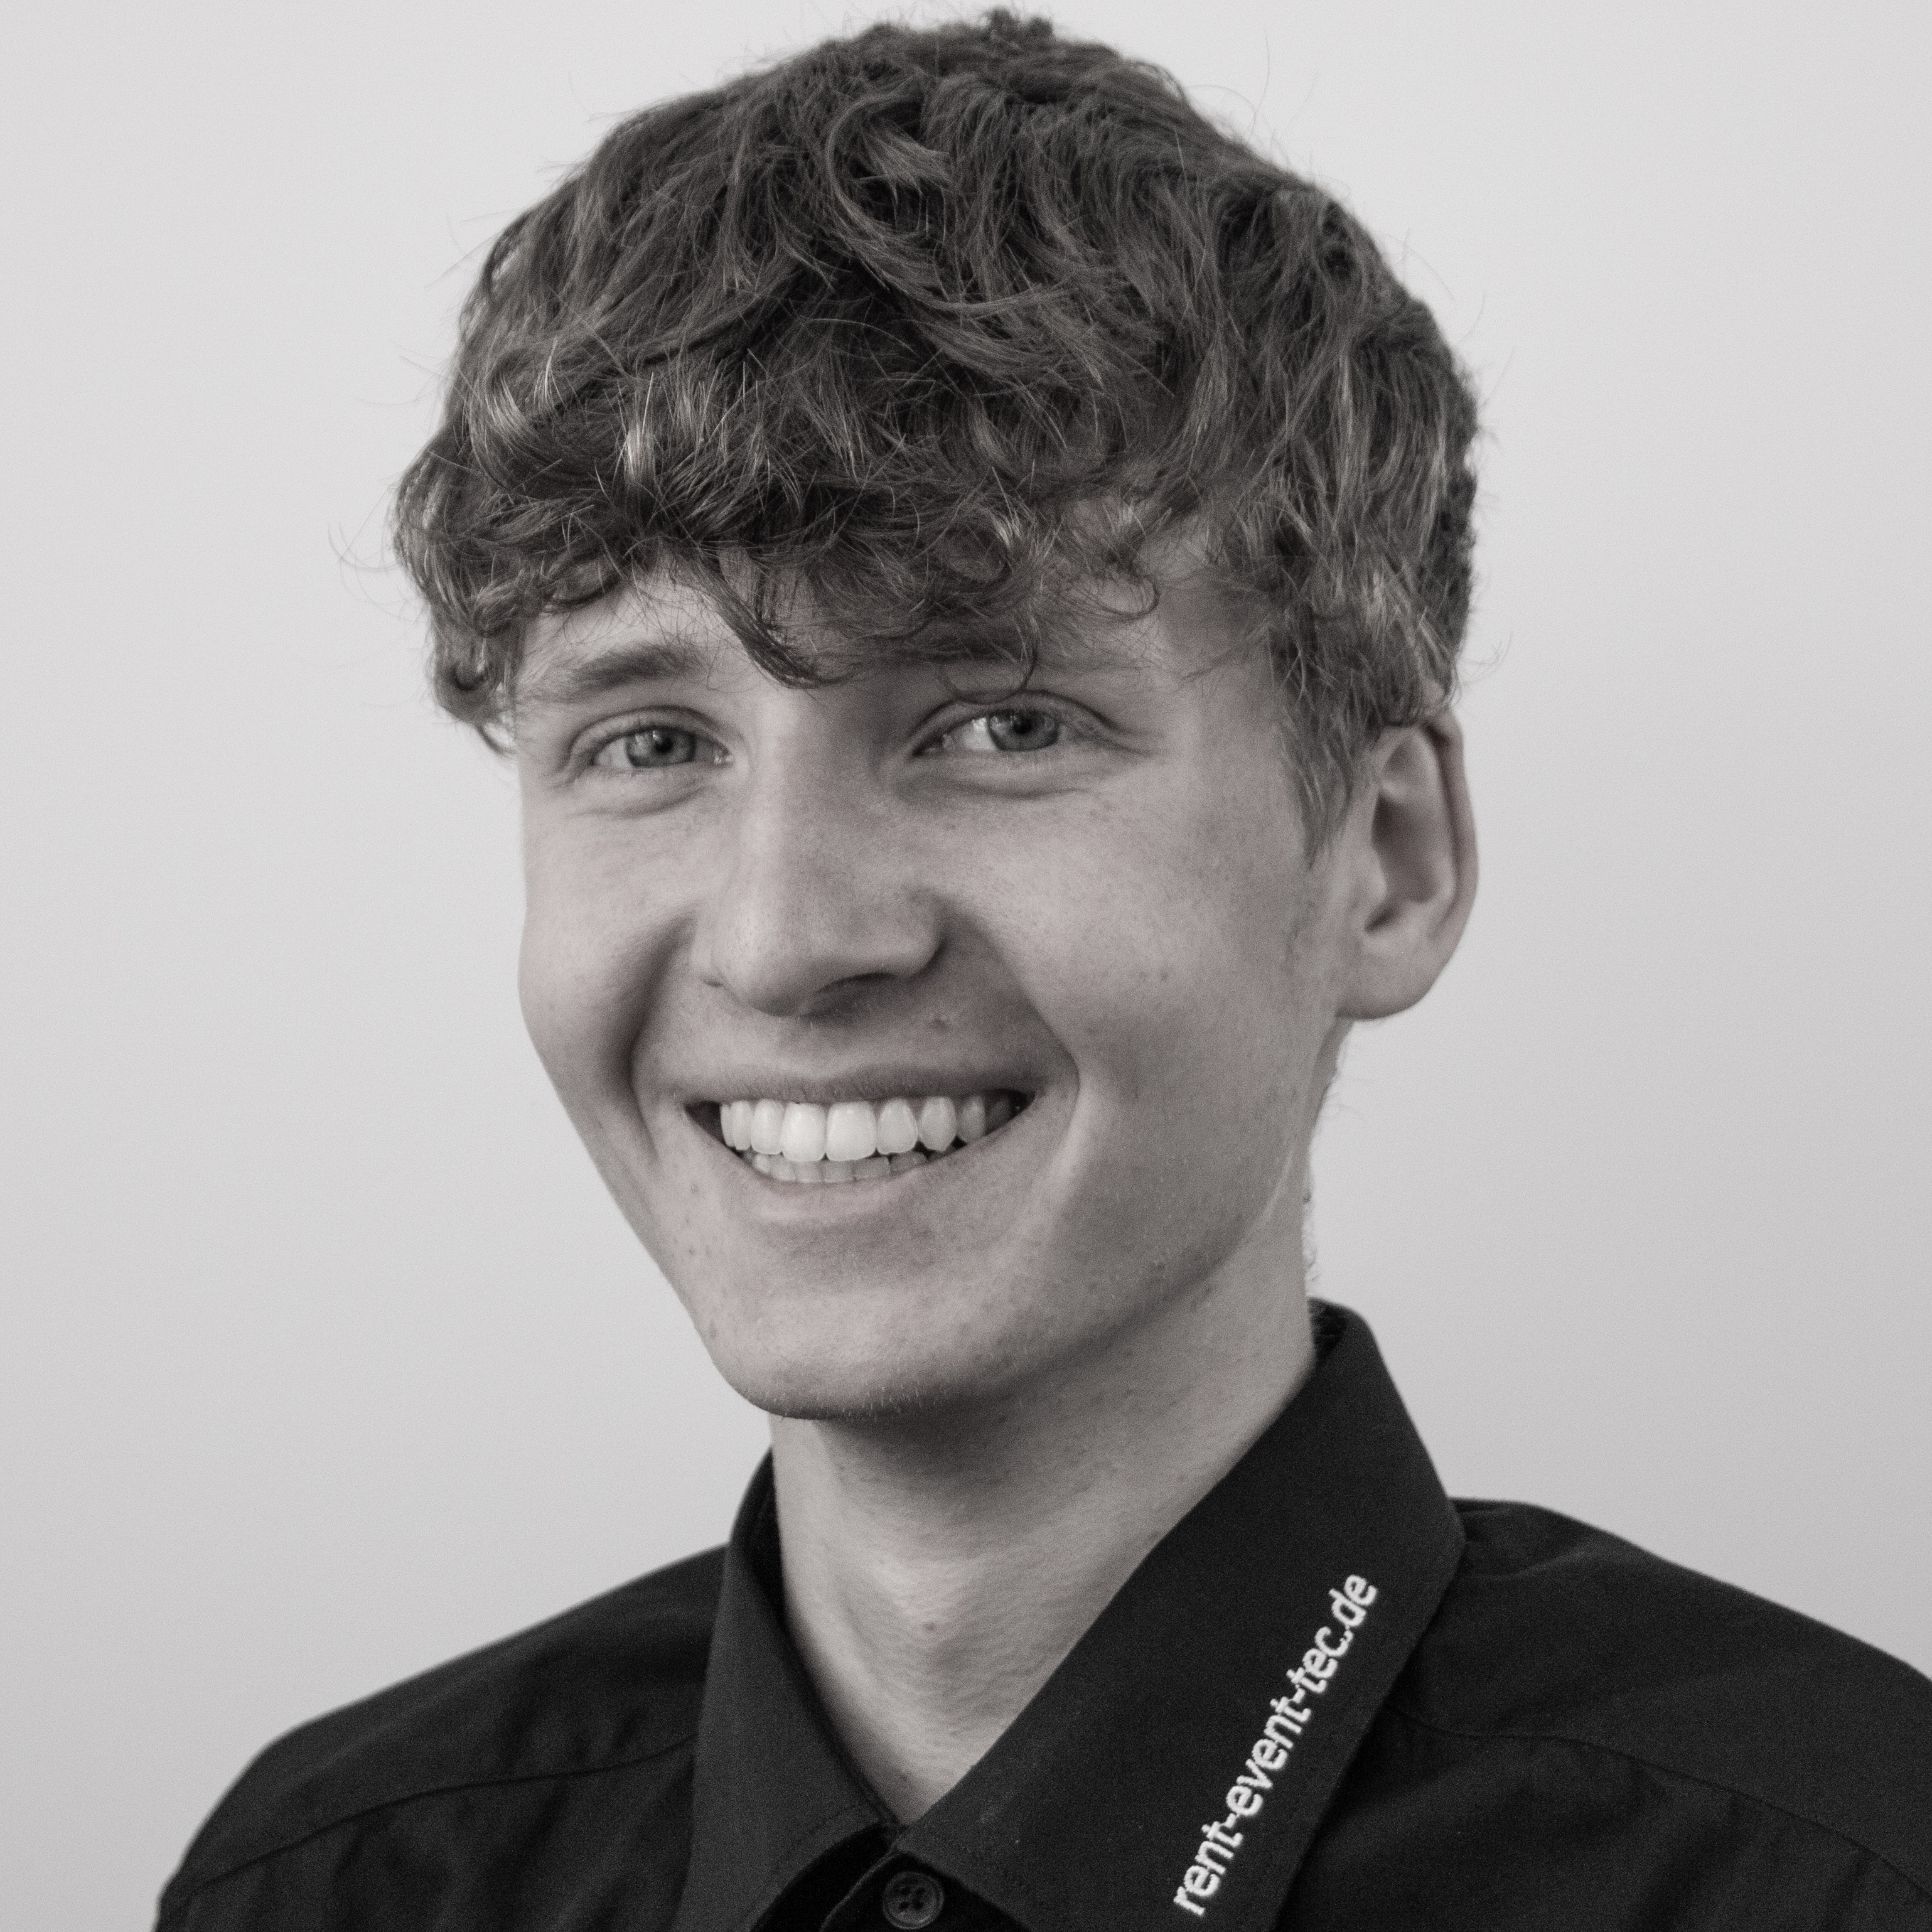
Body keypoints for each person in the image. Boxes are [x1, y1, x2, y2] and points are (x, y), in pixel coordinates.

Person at [156, 13, 1932, 1929]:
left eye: (1001, 722)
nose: (780, 938)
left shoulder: (1847, 1879)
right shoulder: (325, 1890)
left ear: (1389, 864)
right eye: (652, 741)